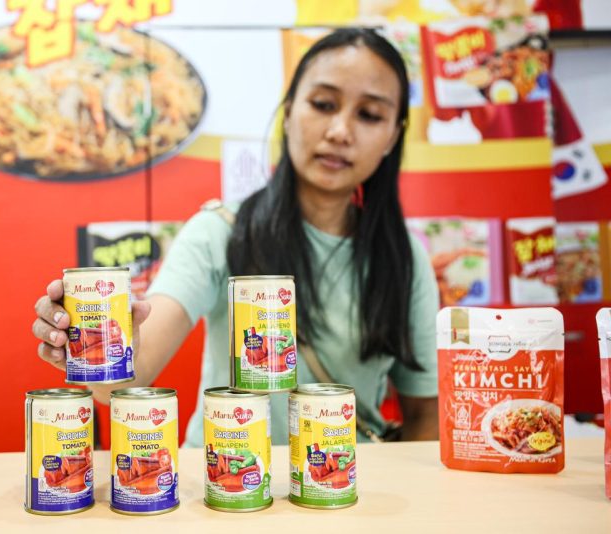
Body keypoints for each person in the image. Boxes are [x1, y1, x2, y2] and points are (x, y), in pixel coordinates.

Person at [32, 28, 440, 445]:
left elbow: (425, 412)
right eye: (323, 104)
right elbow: (121, 382)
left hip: (340, 479)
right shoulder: (220, 231)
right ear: (289, 111)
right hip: (221, 479)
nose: (340, 131)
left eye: (369, 114)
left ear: (393, 136)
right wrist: (99, 348)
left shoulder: (403, 258)